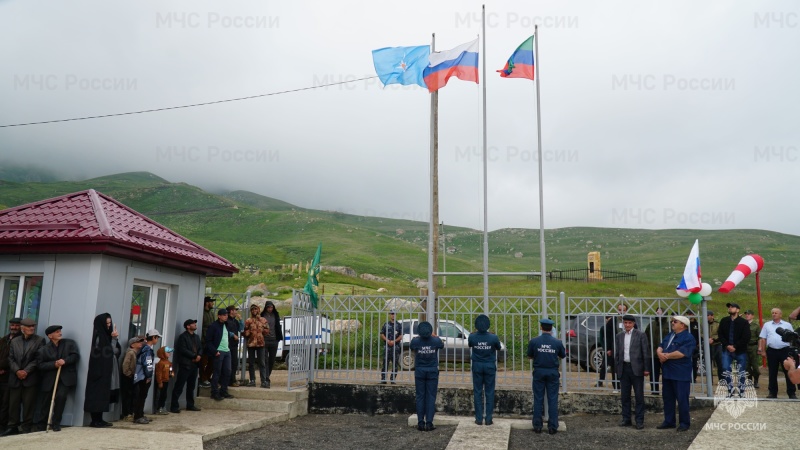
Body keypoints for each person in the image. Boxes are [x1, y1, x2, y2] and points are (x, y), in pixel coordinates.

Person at [2, 318, 45, 435]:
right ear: (23, 328)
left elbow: (38, 359)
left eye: (33, 326)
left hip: (30, 377)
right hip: (15, 377)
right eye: (29, 326)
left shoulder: (40, 340)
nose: (32, 328)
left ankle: (26, 427)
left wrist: (25, 371)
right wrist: (17, 371)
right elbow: (10, 358)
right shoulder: (15, 341)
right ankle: (12, 427)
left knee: (28, 404)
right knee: (13, 404)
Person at [36, 325, 80, 432]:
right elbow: (40, 365)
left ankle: (56, 423)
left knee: (61, 398)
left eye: (60, 331)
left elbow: (75, 356)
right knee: (46, 401)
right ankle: (42, 424)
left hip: (65, 378)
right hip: (50, 379)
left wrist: (65, 361)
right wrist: (54, 364)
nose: (60, 333)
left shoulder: (69, 343)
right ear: (50, 336)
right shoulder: (43, 350)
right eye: (57, 332)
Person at [656, 315, 695, 432]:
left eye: (675, 321)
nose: (672, 323)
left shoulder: (688, 337)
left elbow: (682, 353)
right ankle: (669, 421)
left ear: (682, 325)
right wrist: (659, 353)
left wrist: (666, 356)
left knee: (682, 398)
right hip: (668, 372)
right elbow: (661, 345)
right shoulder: (670, 335)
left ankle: (684, 423)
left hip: (680, 373)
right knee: (668, 398)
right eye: (673, 321)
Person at [527, 318, 566, 435]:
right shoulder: (557, 342)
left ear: (541, 328)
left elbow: (529, 356)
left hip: (539, 372)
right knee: (552, 399)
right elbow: (563, 355)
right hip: (552, 373)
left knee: (538, 398)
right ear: (552, 329)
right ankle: (553, 426)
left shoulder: (534, 341)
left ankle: (537, 425)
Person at [84, 313, 121, 427]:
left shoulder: (105, 335)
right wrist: (114, 339)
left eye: (110, 323)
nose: (109, 326)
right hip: (99, 371)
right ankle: (95, 420)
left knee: (103, 394)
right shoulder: (99, 336)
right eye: (107, 323)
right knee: (98, 395)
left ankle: (99, 419)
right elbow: (110, 351)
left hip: (105, 371)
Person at [615, 314, 651, 430]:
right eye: (625, 323)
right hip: (624, 368)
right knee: (625, 395)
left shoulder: (640, 335)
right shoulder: (619, 336)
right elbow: (617, 353)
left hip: (637, 368)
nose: (627, 325)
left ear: (633, 324)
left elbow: (645, 352)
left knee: (639, 395)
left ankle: (639, 420)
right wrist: (617, 367)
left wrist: (646, 368)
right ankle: (626, 419)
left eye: (629, 323)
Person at [410, 321, 444, 432]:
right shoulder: (435, 340)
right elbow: (441, 345)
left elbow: (412, 347)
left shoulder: (415, 341)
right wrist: (433, 335)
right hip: (432, 371)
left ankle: (420, 423)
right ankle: (429, 423)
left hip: (420, 371)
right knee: (430, 397)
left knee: (420, 396)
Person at [468, 314, 502, 426]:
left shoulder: (472, 337)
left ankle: (478, 419)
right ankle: (488, 419)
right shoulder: (493, 337)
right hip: (489, 366)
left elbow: (470, 345)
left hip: (477, 365)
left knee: (477, 392)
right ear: (488, 325)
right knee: (489, 392)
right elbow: (499, 347)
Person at [758, 308, 796, 399]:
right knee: (772, 372)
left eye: (776, 313)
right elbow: (763, 338)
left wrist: (792, 352)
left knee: (788, 371)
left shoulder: (787, 325)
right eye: (773, 313)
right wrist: (763, 351)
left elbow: (792, 338)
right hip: (772, 351)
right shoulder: (767, 325)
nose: (774, 314)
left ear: (780, 315)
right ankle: (772, 392)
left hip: (785, 350)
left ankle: (791, 393)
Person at [717, 302, 750, 397]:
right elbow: (721, 334)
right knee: (726, 369)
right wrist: (727, 345)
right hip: (727, 350)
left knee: (741, 371)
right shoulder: (724, 320)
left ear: (738, 310)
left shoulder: (743, 322)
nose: (730, 308)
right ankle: (730, 390)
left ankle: (741, 391)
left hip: (740, 351)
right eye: (729, 307)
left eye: (732, 307)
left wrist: (735, 346)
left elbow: (746, 336)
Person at [170, 319, 203, 413]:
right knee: (179, 385)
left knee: (191, 386)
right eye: (193, 323)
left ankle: (190, 405)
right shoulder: (183, 337)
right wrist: (194, 356)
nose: (195, 325)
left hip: (194, 365)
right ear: (188, 326)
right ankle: (174, 406)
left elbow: (200, 347)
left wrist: (199, 355)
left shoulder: (196, 337)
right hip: (185, 364)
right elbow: (182, 349)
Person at [206, 309, 234, 401]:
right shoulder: (213, 326)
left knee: (227, 371)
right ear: (219, 316)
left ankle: (224, 390)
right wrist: (215, 351)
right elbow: (208, 341)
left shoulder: (226, 325)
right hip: (219, 351)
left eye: (226, 315)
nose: (226, 316)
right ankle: (214, 392)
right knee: (217, 372)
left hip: (227, 351)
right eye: (224, 315)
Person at [0, 317, 22, 434]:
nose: (14, 327)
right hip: (1, 376)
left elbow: (12, 358)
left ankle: (4, 426)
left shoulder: (20, 340)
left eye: (16, 325)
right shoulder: (4, 339)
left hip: (11, 376)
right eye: (12, 325)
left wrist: (3, 368)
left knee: (6, 403)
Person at [133, 330, 158, 424]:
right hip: (142, 377)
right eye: (157, 338)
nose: (157, 340)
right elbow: (147, 363)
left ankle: (140, 414)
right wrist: (148, 376)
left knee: (142, 396)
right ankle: (138, 416)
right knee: (141, 396)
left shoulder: (144, 348)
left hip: (140, 376)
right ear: (154, 337)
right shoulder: (147, 349)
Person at [244, 304, 268, 388]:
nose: (254, 311)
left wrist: (263, 331)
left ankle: (264, 381)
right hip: (251, 344)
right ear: (251, 311)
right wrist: (248, 332)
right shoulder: (248, 320)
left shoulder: (263, 320)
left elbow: (267, 330)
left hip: (260, 343)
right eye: (253, 310)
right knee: (251, 363)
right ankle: (252, 380)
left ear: (258, 310)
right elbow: (245, 331)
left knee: (262, 363)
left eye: (256, 309)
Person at [645, 307, 668, 394]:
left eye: (661, 311)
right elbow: (646, 336)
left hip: (665, 354)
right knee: (654, 374)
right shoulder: (652, 324)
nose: (658, 313)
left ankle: (666, 391)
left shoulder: (668, 325)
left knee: (666, 374)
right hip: (653, 354)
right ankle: (654, 390)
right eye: (657, 311)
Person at [121, 335, 144, 420]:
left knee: (132, 395)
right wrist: (129, 374)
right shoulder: (130, 353)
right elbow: (125, 366)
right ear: (132, 344)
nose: (140, 343)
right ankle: (126, 414)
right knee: (127, 395)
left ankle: (130, 412)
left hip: (132, 377)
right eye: (138, 342)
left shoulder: (135, 353)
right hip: (128, 377)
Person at [260, 301, 283, 388]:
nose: (270, 309)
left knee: (271, 360)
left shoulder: (275, 315)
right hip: (265, 340)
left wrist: (278, 338)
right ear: (266, 308)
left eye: (271, 307)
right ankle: (265, 379)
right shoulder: (262, 316)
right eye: (268, 307)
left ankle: (267, 376)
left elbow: (278, 326)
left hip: (274, 340)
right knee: (264, 360)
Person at [380, 310, 403, 384]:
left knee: (395, 364)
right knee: (385, 363)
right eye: (392, 314)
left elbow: (401, 335)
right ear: (390, 315)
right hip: (387, 346)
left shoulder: (399, 325)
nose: (393, 315)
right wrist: (387, 341)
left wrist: (394, 341)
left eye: (394, 314)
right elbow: (382, 334)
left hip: (395, 347)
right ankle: (383, 379)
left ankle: (392, 379)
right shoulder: (386, 324)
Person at [225, 305, 243, 387]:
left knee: (234, 363)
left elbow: (241, 329)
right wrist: (232, 335)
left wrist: (241, 320)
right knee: (227, 364)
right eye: (235, 310)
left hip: (234, 345)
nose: (236, 312)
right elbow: (225, 330)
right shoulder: (226, 320)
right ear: (231, 311)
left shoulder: (235, 321)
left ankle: (232, 380)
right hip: (227, 344)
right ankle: (226, 380)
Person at [200, 296, 216, 388]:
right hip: (204, 342)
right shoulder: (202, 313)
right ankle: (203, 379)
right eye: (211, 302)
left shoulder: (211, 313)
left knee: (212, 361)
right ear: (207, 303)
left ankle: (207, 377)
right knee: (203, 362)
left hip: (211, 342)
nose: (212, 304)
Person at [743, 310, 762, 388]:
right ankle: (749, 381)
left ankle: (756, 380)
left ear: (752, 316)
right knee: (746, 366)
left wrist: (760, 347)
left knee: (755, 366)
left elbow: (760, 337)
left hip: (753, 347)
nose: (747, 315)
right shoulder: (743, 324)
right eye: (746, 314)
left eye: (749, 314)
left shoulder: (756, 326)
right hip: (744, 346)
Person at [154, 346, 174, 415]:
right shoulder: (161, 363)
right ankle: (159, 408)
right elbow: (158, 373)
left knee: (164, 395)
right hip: (162, 381)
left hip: (166, 380)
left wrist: (171, 374)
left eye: (169, 352)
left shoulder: (168, 362)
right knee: (160, 395)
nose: (169, 353)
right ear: (162, 353)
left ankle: (162, 407)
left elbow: (171, 370)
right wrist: (159, 382)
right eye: (167, 352)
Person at [707, 310, 722, 381]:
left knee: (720, 363)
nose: (706, 316)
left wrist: (713, 339)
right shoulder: (703, 324)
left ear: (712, 316)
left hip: (717, 345)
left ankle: (721, 380)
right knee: (708, 363)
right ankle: (709, 381)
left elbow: (720, 334)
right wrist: (707, 339)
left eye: (708, 315)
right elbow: (701, 333)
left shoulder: (717, 324)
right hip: (707, 346)